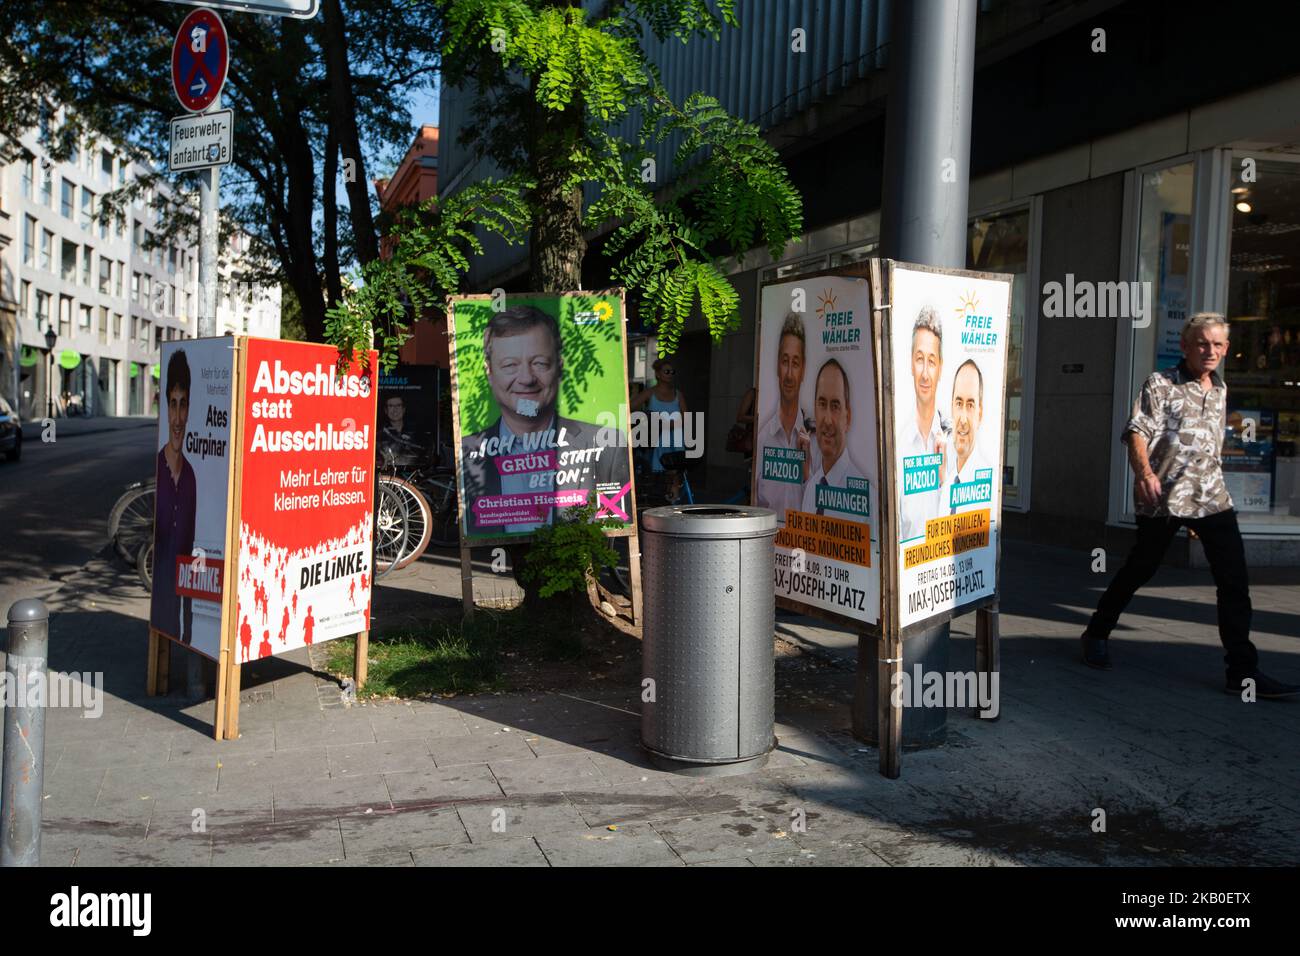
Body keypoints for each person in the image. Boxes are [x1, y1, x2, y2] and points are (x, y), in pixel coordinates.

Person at [1081, 312, 1298, 698]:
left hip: (1212, 498)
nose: (1209, 351)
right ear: (1185, 346)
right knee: (1140, 569)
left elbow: (1210, 446)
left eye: (1217, 345)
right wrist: (1145, 474)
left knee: (1234, 582)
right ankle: (1097, 631)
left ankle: (1242, 673)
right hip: (1164, 498)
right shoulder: (1160, 384)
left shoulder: (1220, 388)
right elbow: (1136, 432)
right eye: (1202, 343)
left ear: (1226, 349)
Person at [460, 305, 629, 533]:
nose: (527, 379)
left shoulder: (607, 445)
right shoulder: (468, 452)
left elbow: (612, 524)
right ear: (489, 372)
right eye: (510, 365)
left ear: (559, 366)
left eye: (540, 363)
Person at [150, 349, 196, 644]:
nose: (178, 418)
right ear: (166, 406)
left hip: (190, 620)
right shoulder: (159, 466)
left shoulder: (193, 476)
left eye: (183, 405)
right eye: (173, 404)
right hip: (163, 613)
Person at [756, 314, 815, 524]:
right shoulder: (763, 439)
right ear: (777, 367)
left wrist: (806, 468)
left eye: (795, 363)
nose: (789, 374)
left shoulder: (816, 441)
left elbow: (821, 508)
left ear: (803, 369)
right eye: (785, 362)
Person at [899, 306, 951, 543]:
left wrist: (943, 480)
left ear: (940, 367)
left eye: (931, 361)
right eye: (920, 359)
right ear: (911, 364)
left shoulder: (950, 441)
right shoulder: (897, 442)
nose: (925, 374)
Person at [800, 359, 867, 520]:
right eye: (822, 404)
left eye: (835, 406)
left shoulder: (866, 496)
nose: (828, 420)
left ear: (848, 417)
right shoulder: (811, 488)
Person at [942, 359, 991, 514]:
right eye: (958, 403)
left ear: (980, 413)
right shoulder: (947, 486)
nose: (962, 420)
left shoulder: (986, 484)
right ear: (951, 407)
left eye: (970, 405)